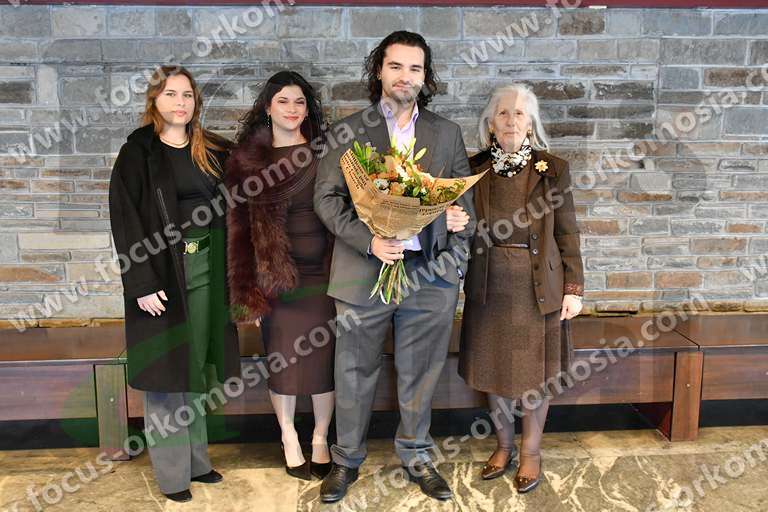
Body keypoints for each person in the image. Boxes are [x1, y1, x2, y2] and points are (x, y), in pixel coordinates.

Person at [314, 31, 474, 503]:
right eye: (396, 66)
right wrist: (370, 241)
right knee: (353, 370)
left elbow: (462, 204)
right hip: (363, 271)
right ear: (379, 71)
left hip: (430, 277)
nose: (405, 76)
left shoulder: (446, 132)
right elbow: (327, 199)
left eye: (415, 68)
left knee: (421, 372)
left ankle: (418, 456)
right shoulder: (348, 130)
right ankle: (346, 461)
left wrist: (454, 257)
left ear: (426, 76)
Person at [108, 65, 240, 503]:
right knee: (167, 375)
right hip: (162, 275)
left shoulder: (210, 149)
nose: (180, 102)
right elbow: (125, 220)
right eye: (170, 94)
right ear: (154, 100)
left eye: (187, 95)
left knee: (196, 369)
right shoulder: (138, 153)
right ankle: (172, 475)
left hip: (207, 270)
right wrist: (141, 283)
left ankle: (196, 462)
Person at [458, 83, 584, 493]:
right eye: (503, 113)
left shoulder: (553, 169)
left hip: (538, 289)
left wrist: (573, 288)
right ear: (490, 124)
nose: (511, 120)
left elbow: (567, 233)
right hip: (488, 287)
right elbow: (459, 225)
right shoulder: (473, 168)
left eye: (519, 113)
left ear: (531, 124)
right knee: (493, 370)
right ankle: (503, 445)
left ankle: (531, 452)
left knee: (535, 376)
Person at [225, 70, 336, 481]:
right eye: (283, 102)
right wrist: (247, 293)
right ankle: (289, 436)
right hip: (275, 278)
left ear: (309, 109)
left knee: (324, 361)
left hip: (326, 274)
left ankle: (321, 438)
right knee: (283, 360)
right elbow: (237, 230)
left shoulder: (328, 151)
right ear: (267, 108)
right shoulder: (246, 161)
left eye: (300, 102)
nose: (292, 109)